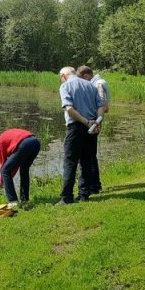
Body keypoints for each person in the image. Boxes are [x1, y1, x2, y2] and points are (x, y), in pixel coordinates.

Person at [57, 66, 105, 205]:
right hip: (92, 127)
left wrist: (86, 122)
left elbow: (69, 108)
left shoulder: (65, 86)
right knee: (86, 161)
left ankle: (66, 197)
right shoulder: (90, 85)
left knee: (70, 162)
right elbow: (100, 106)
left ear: (63, 76)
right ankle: (84, 194)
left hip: (77, 127)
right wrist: (97, 121)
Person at [77, 65, 111, 194]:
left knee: (90, 156)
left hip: (94, 123)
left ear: (86, 76)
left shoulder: (98, 84)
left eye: (81, 79)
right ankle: (94, 185)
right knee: (90, 155)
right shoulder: (98, 82)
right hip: (94, 122)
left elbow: (102, 105)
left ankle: (95, 185)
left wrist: (95, 123)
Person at [0, 128, 41, 207]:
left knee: (4, 170)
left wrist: (1, 181)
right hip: (35, 142)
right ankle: (24, 200)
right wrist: (6, 179)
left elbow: (3, 165)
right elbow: (14, 165)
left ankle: (13, 201)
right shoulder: (5, 138)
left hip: (25, 144)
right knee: (24, 171)